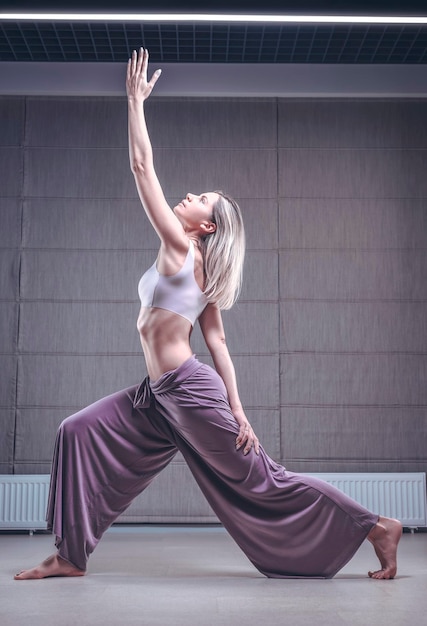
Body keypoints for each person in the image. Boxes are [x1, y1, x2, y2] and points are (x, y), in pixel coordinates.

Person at [14, 48, 402, 581]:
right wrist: (239, 408)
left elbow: (141, 166)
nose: (189, 195)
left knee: (264, 478)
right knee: (77, 432)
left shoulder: (180, 248)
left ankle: (377, 526)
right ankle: (70, 555)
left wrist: (134, 102)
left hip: (186, 392)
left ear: (206, 226)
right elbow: (217, 344)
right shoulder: (198, 268)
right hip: (157, 398)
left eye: (201, 198)